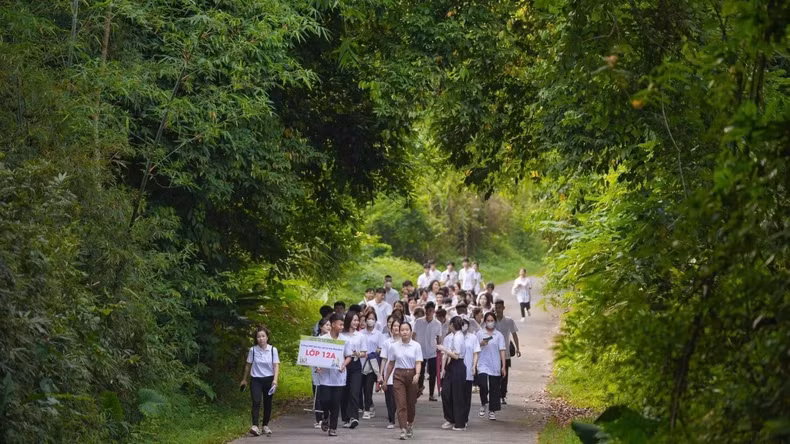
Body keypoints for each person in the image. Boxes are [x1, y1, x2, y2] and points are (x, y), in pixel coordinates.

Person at [382, 322, 423, 440]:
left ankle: (410, 423)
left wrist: (418, 374)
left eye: (407, 330)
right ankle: (403, 428)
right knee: (401, 403)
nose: (404, 332)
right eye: (402, 330)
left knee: (411, 403)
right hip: (398, 375)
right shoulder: (394, 346)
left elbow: (418, 362)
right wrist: (385, 379)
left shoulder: (416, 346)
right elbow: (391, 363)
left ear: (411, 332)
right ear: (399, 332)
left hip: (412, 374)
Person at [316, 313, 353, 437]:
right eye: (340, 324)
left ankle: (333, 428)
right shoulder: (322, 339)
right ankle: (325, 415)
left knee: (336, 403)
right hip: (325, 376)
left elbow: (349, 356)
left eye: (343, 324)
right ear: (333, 324)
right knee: (325, 400)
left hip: (339, 376)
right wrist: (318, 366)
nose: (342, 327)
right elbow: (316, 356)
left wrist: (343, 365)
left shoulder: (345, 340)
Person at [240, 326, 280, 436]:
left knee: (268, 402)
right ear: (256, 339)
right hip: (256, 379)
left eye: (263, 336)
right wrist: (244, 379)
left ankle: (265, 425)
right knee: (256, 401)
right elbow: (248, 365)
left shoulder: (273, 350)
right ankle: (255, 426)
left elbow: (276, 366)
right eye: (258, 337)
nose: (261, 339)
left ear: (267, 337)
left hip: (269, 379)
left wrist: (275, 380)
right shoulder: (253, 350)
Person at [437, 316, 467, 431]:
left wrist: (443, 349)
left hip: (458, 364)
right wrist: (443, 369)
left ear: (453, 325)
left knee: (457, 394)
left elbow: (456, 355)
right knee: (446, 392)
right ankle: (451, 418)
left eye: (450, 324)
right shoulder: (454, 336)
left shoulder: (458, 337)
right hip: (452, 365)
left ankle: (460, 422)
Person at [476, 312, 506, 420]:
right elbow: (475, 348)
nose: (490, 323)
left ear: (495, 321)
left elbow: (502, 350)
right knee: (483, 384)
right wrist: (481, 344)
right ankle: (484, 402)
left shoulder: (499, 335)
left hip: (495, 363)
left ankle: (492, 410)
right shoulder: (480, 333)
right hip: (482, 363)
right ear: (485, 321)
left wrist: (503, 366)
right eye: (488, 321)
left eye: (492, 321)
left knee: (494, 388)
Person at [339, 312, 366, 429]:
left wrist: (358, 354)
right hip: (343, 365)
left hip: (355, 364)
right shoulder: (341, 335)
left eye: (357, 320)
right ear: (348, 320)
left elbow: (365, 353)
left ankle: (354, 417)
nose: (356, 322)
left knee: (355, 391)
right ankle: (346, 418)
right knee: (344, 392)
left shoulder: (360, 336)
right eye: (354, 320)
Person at [413, 301, 441, 401]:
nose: (428, 312)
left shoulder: (437, 324)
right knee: (419, 372)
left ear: (433, 311)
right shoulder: (419, 321)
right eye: (427, 310)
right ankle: (420, 388)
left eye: (430, 310)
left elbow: (439, 338)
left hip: (432, 351)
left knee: (433, 374)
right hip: (420, 351)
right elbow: (413, 335)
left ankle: (431, 394)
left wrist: (439, 348)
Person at [494, 300, 520, 405]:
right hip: (493, 352)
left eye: (499, 307)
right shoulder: (491, 320)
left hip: (505, 352)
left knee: (504, 374)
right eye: (496, 308)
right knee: (494, 375)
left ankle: (502, 395)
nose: (498, 310)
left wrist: (518, 348)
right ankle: (494, 394)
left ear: (503, 308)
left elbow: (514, 335)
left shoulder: (509, 321)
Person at [378, 317, 401, 429]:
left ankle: (401, 418)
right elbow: (384, 359)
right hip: (389, 374)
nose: (396, 328)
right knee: (390, 398)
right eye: (394, 326)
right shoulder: (387, 343)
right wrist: (380, 374)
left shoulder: (405, 342)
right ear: (390, 328)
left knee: (399, 398)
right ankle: (391, 420)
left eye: (398, 326)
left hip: (401, 372)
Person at [361, 311, 382, 420]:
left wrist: (378, 351)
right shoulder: (361, 333)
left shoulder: (378, 334)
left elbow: (381, 348)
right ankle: (370, 405)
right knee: (362, 387)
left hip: (372, 364)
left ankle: (367, 410)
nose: (370, 320)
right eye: (369, 318)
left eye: (373, 319)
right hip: (361, 363)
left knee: (368, 387)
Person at [311, 318, 332, 428]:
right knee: (318, 394)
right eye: (326, 325)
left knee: (327, 396)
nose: (328, 327)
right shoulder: (315, 340)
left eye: (330, 325)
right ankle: (319, 419)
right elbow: (311, 355)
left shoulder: (333, 340)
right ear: (320, 327)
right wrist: (316, 366)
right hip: (317, 370)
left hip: (329, 371)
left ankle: (326, 417)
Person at [461, 319, 480, 428]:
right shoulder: (454, 337)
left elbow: (476, 353)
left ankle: (464, 417)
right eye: (461, 324)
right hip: (457, 370)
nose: (463, 326)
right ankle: (457, 416)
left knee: (467, 396)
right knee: (457, 395)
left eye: (465, 324)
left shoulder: (473, 338)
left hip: (468, 370)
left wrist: (474, 366)